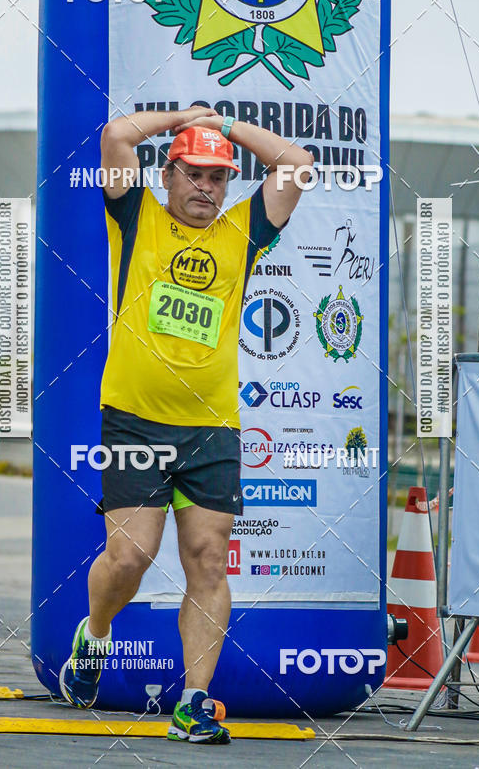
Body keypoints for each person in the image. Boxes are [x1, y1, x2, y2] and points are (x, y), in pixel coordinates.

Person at [60, 106, 313, 744]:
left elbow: (297, 164)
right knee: (131, 556)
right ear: (168, 175)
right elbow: (116, 134)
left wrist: (226, 129)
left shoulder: (243, 231)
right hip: (136, 419)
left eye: (218, 177)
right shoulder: (135, 215)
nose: (206, 187)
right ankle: (94, 635)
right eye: (194, 174)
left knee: (207, 561)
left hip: (212, 427)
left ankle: (193, 703)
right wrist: (182, 118)